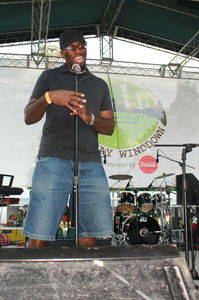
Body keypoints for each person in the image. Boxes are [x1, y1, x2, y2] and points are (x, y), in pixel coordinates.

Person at [22, 29, 115, 248]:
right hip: (53, 159)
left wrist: (88, 117)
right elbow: (29, 117)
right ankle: (31, 279)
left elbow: (109, 127)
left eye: (81, 46)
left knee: (90, 232)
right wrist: (50, 97)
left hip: (90, 161)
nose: (78, 50)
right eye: (72, 47)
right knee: (40, 230)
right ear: (63, 53)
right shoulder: (49, 77)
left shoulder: (99, 84)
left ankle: (85, 279)